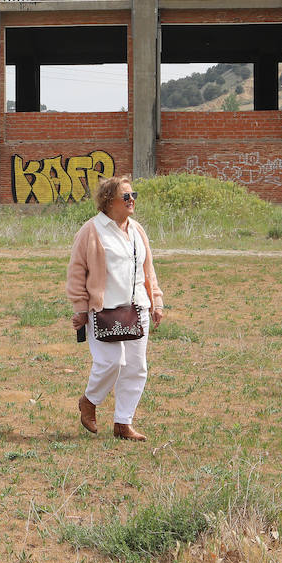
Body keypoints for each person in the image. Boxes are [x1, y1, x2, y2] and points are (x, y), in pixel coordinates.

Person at [67, 176, 165, 442]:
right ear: (109, 200)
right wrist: (79, 308)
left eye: (133, 194)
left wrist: (155, 301)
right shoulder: (92, 230)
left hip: (137, 309)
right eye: (125, 196)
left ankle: (123, 423)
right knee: (112, 362)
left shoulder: (137, 230)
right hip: (102, 312)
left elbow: (148, 270)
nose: (131, 199)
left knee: (136, 367)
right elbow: (77, 271)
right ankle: (89, 401)